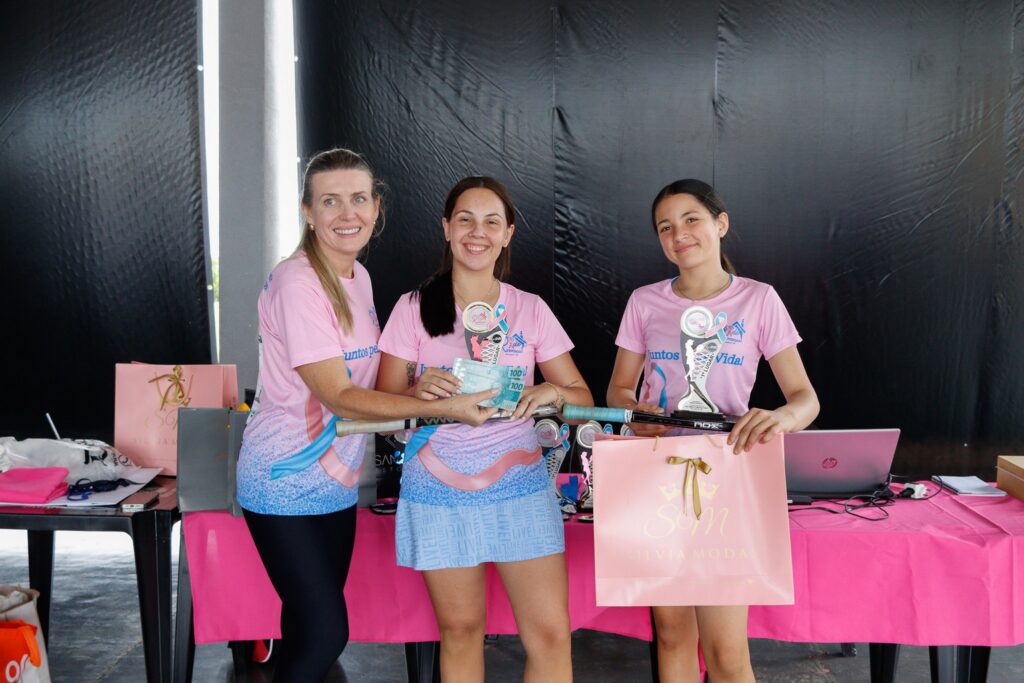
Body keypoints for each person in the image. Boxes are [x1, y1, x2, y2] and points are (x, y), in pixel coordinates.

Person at [235, 149, 497, 681]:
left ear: (376, 209)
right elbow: (336, 394)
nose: (346, 213)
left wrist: (420, 386)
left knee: (307, 630)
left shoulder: (358, 277)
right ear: (308, 210)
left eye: (358, 199)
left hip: (334, 481)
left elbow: (369, 382)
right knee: (328, 632)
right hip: (282, 479)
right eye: (330, 201)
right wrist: (444, 409)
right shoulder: (298, 282)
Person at [376, 176, 592, 683]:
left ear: (508, 233)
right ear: (446, 229)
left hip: (519, 486)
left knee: (550, 634)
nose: (478, 232)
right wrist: (417, 392)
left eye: (492, 221)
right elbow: (384, 407)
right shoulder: (412, 307)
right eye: (466, 220)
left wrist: (554, 394)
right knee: (461, 631)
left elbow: (582, 396)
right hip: (437, 487)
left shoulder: (530, 308)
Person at [607, 179, 819, 683]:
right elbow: (616, 391)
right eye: (666, 226)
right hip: (655, 477)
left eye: (691, 219)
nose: (679, 233)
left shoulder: (759, 300)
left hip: (729, 477)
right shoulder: (644, 302)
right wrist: (637, 414)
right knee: (673, 636)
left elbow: (805, 400)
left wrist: (777, 419)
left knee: (726, 651)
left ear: (720, 224)